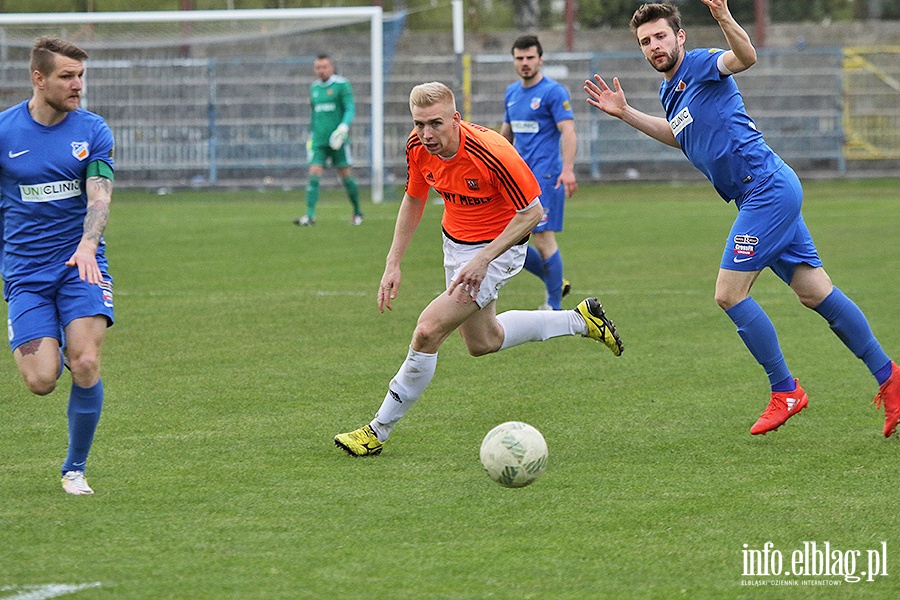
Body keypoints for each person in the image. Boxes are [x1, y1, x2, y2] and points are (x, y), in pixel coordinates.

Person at [584, 1, 899, 437]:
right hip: (762, 193)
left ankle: (785, 390)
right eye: (645, 41)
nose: (654, 46)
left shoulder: (702, 63)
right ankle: (891, 378)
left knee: (729, 294)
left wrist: (724, 18)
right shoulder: (668, 90)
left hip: (765, 190)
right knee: (815, 291)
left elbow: (746, 57)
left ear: (680, 37)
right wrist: (625, 113)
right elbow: (681, 137)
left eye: (660, 36)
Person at [334, 82, 623, 456]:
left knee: (427, 331)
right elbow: (413, 198)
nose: (426, 134)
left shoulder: (492, 152)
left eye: (435, 123)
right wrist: (393, 262)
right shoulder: (417, 147)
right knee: (483, 342)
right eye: (419, 124)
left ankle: (376, 431)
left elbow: (532, 213)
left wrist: (485, 259)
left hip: (499, 249)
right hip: (455, 245)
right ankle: (581, 320)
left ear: (456, 119)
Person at [1, 37, 116, 494]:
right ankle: (57, 343)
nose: (77, 85)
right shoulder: (5, 131)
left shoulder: (92, 130)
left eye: (81, 76)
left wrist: (88, 244)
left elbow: (100, 194)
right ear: (39, 78)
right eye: (67, 76)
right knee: (41, 380)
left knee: (86, 361)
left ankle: (74, 468)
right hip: (26, 273)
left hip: (79, 265)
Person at [500, 35, 578, 311]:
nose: (525, 63)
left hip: (546, 176)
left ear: (540, 59)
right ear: (514, 61)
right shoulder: (511, 93)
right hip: (518, 178)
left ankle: (553, 305)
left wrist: (567, 169)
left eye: (530, 57)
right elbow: (506, 135)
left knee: (543, 239)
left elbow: (567, 131)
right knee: (507, 241)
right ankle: (555, 281)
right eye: (519, 58)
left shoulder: (553, 92)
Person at [293, 53, 363, 226]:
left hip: (338, 140)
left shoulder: (341, 85)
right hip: (318, 141)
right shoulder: (314, 88)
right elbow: (314, 114)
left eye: (324, 66)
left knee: (346, 176)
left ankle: (357, 212)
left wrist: (343, 127)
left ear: (331, 67)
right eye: (318, 67)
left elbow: (350, 108)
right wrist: (311, 134)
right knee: (313, 175)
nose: (321, 70)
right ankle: (309, 216)